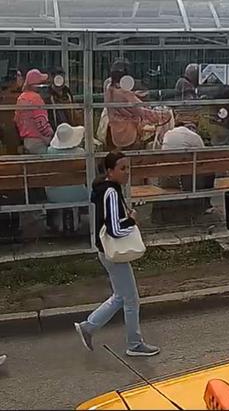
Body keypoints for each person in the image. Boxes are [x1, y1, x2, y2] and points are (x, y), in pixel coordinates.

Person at [74, 151, 160, 358]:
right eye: (122, 169)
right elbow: (114, 229)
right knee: (131, 299)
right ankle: (134, 343)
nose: (127, 173)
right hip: (114, 251)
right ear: (110, 171)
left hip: (107, 252)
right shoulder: (111, 192)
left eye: (128, 168)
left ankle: (89, 326)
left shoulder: (104, 188)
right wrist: (131, 220)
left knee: (121, 296)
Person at [45, 123, 89, 235]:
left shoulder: (49, 152)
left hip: (54, 195)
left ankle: (58, 223)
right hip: (78, 194)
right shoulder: (80, 153)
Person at [15, 69, 53, 154]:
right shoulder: (36, 99)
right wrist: (52, 133)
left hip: (26, 141)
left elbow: (17, 120)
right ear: (35, 85)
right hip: (39, 141)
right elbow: (41, 122)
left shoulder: (21, 98)